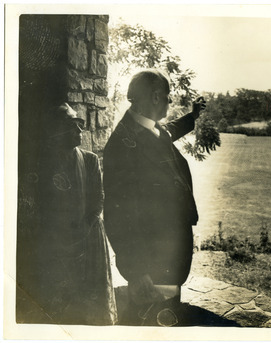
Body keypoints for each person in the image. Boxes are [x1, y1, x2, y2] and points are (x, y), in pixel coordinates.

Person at [103, 69, 205, 326]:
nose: (171, 102)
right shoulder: (122, 145)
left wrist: (193, 116)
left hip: (169, 254)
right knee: (145, 323)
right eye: (168, 96)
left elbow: (168, 131)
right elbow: (116, 212)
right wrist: (136, 270)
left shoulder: (151, 129)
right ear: (156, 97)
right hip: (149, 259)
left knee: (167, 314)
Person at [16, 103, 117, 325]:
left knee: (90, 303)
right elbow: (35, 206)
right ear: (57, 131)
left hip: (88, 238)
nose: (80, 132)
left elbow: (98, 199)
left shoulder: (89, 161)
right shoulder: (42, 165)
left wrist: (84, 227)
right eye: (73, 127)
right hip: (56, 243)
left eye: (80, 125)